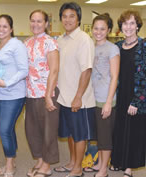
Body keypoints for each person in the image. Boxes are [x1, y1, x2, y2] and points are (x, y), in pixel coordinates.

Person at [53, 2, 96, 177]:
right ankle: (72, 162)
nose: (68, 19)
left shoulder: (84, 40)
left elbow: (87, 70)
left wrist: (78, 97)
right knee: (70, 133)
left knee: (80, 135)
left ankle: (78, 168)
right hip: (63, 97)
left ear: (78, 18)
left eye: (72, 16)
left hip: (79, 100)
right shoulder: (61, 40)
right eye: (65, 16)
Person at [110, 10, 146, 177]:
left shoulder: (145, 46)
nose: (128, 27)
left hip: (137, 95)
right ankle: (119, 161)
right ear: (121, 26)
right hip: (120, 95)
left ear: (137, 26)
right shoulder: (118, 46)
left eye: (132, 23)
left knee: (133, 131)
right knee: (120, 129)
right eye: (125, 23)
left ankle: (129, 167)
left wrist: (137, 101)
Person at [0, 14, 28, 177]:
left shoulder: (17, 45)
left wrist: (7, 83)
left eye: (5, 26)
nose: (1, 29)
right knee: (8, 128)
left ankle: (9, 165)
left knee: (4, 130)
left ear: (11, 29)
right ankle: (11, 158)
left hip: (13, 94)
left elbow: (24, 70)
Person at [83, 13, 120, 177]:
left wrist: (108, 102)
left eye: (102, 29)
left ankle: (104, 169)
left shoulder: (112, 49)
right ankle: (99, 163)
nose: (98, 32)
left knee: (105, 137)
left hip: (105, 99)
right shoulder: (91, 46)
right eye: (96, 28)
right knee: (98, 135)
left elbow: (114, 77)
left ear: (109, 30)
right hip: (92, 99)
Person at [24, 9, 60, 177]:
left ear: (46, 24)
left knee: (48, 130)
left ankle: (46, 165)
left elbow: (54, 70)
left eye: (39, 21)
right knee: (32, 130)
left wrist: (48, 95)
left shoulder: (50, 42)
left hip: (47, 94)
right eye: (33, 20)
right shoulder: (27, 42)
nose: (35, 24)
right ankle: (39, 159)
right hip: (30, 94)